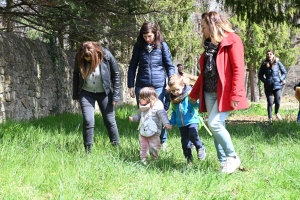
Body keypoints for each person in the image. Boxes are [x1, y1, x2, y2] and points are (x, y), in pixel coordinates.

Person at [189, 11, 249, 174]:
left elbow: (238, 69)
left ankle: (233, 157)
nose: (202, 31)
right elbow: (204, 73)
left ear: (212, 25)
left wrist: (236, 93)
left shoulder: (233, 40)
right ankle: (223, 163)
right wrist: (194, 93)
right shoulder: (209, 45)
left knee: (214, 123)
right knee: (217, 126)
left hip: (225, 92)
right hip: (209, 91)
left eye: (203, 27)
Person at [127, 21, 175, 151]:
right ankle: (145, 143)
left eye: (150, 36)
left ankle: (163, 141)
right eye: (145, 36)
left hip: (159, 86)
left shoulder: (163, 46)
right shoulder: (138, 47)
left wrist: (171, 82)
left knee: (160, 113)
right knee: (144, 114)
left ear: (155, 33)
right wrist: (130, 85)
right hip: (141, 85)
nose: (147, 39)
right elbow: (132, 66)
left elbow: (170, 66)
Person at [73, 41, 121, 153]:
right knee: (88, 120)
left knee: (109, 121)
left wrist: (116, 95)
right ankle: (88, 151)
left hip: (104, 92)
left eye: (90, 60)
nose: (87, 61)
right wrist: (76, 94)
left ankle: (117, 149)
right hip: (86, 92)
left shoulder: (107, 55)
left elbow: (116, 74)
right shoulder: (79, 56)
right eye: (86, 60)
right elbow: (76, 74)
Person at [168, 74, 206, 164]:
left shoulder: (189, 94)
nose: (175, 92)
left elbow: (197, 104)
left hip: (192, 119)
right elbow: (174, 112)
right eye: (172, 91)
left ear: (183, 85)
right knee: (185, 142)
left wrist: (196, 101)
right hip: (181, 124)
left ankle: (200, 147)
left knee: (193, 134)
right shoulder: (174, 100)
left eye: (177, 89)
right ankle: (189, 159)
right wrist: (171, 122)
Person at [129, 87, 172, 165]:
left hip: (154, 131)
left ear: (148, 98)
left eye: (141, 98)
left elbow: (163, 115)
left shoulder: (157, 106)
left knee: (154, 147)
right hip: (143, 131)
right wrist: (134, 118)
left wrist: (166, 123)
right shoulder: (142, 107)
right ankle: (143, 160)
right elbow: (139, 115)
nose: (139, 99)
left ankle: (154, 160)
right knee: (143, 146)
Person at [258, 50, 287, 124]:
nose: (269, 55)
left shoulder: (278, 63)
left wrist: (280, 79)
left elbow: (284, 72)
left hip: (277, 86)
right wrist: (265, 81)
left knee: (277, 101)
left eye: (271, 54)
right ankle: (270, 118)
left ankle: (276, 113)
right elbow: (260, 75)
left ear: (274, 55)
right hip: (268, 87)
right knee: (270, 102)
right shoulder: (264, 64)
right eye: (267, 54)